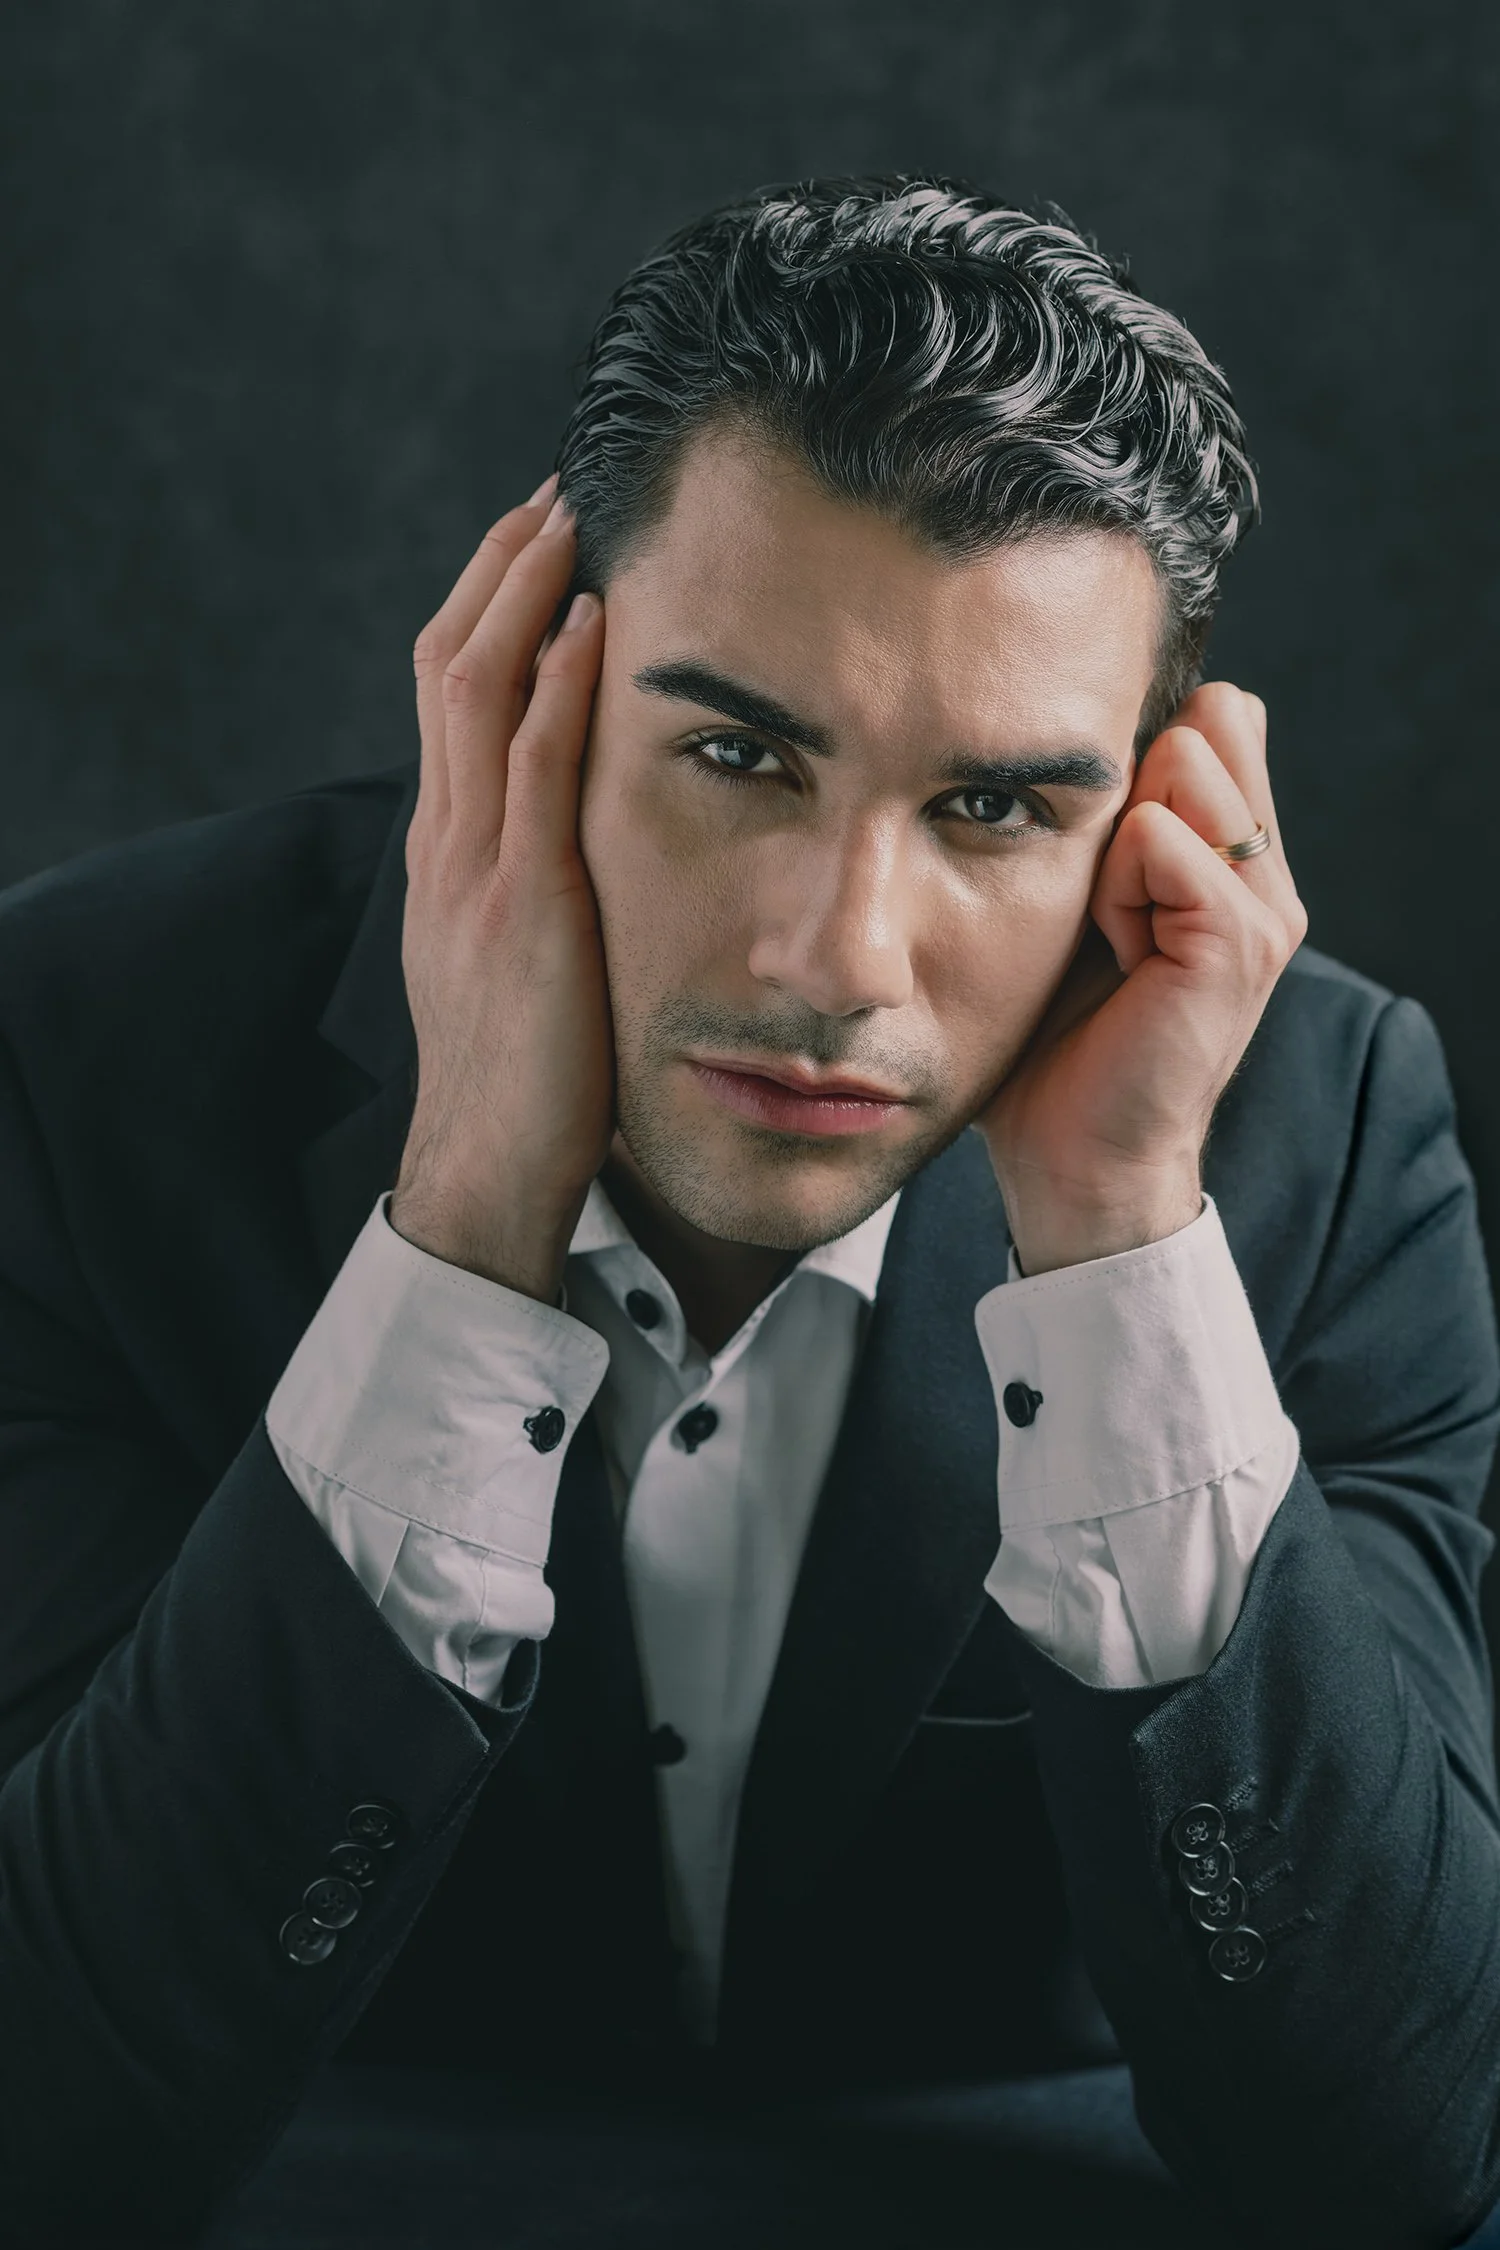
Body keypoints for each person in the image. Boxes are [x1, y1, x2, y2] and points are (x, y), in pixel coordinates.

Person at [2, 171, 1498, 2250]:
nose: (837, 958)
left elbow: (1406, 2173)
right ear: (533, 690)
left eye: (995, 807)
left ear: (1145, 808)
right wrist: (457, 1228)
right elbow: (45, 2128)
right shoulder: (78, 1059)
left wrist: (1122, 1245)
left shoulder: (1323, 1141)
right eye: (737, 754)